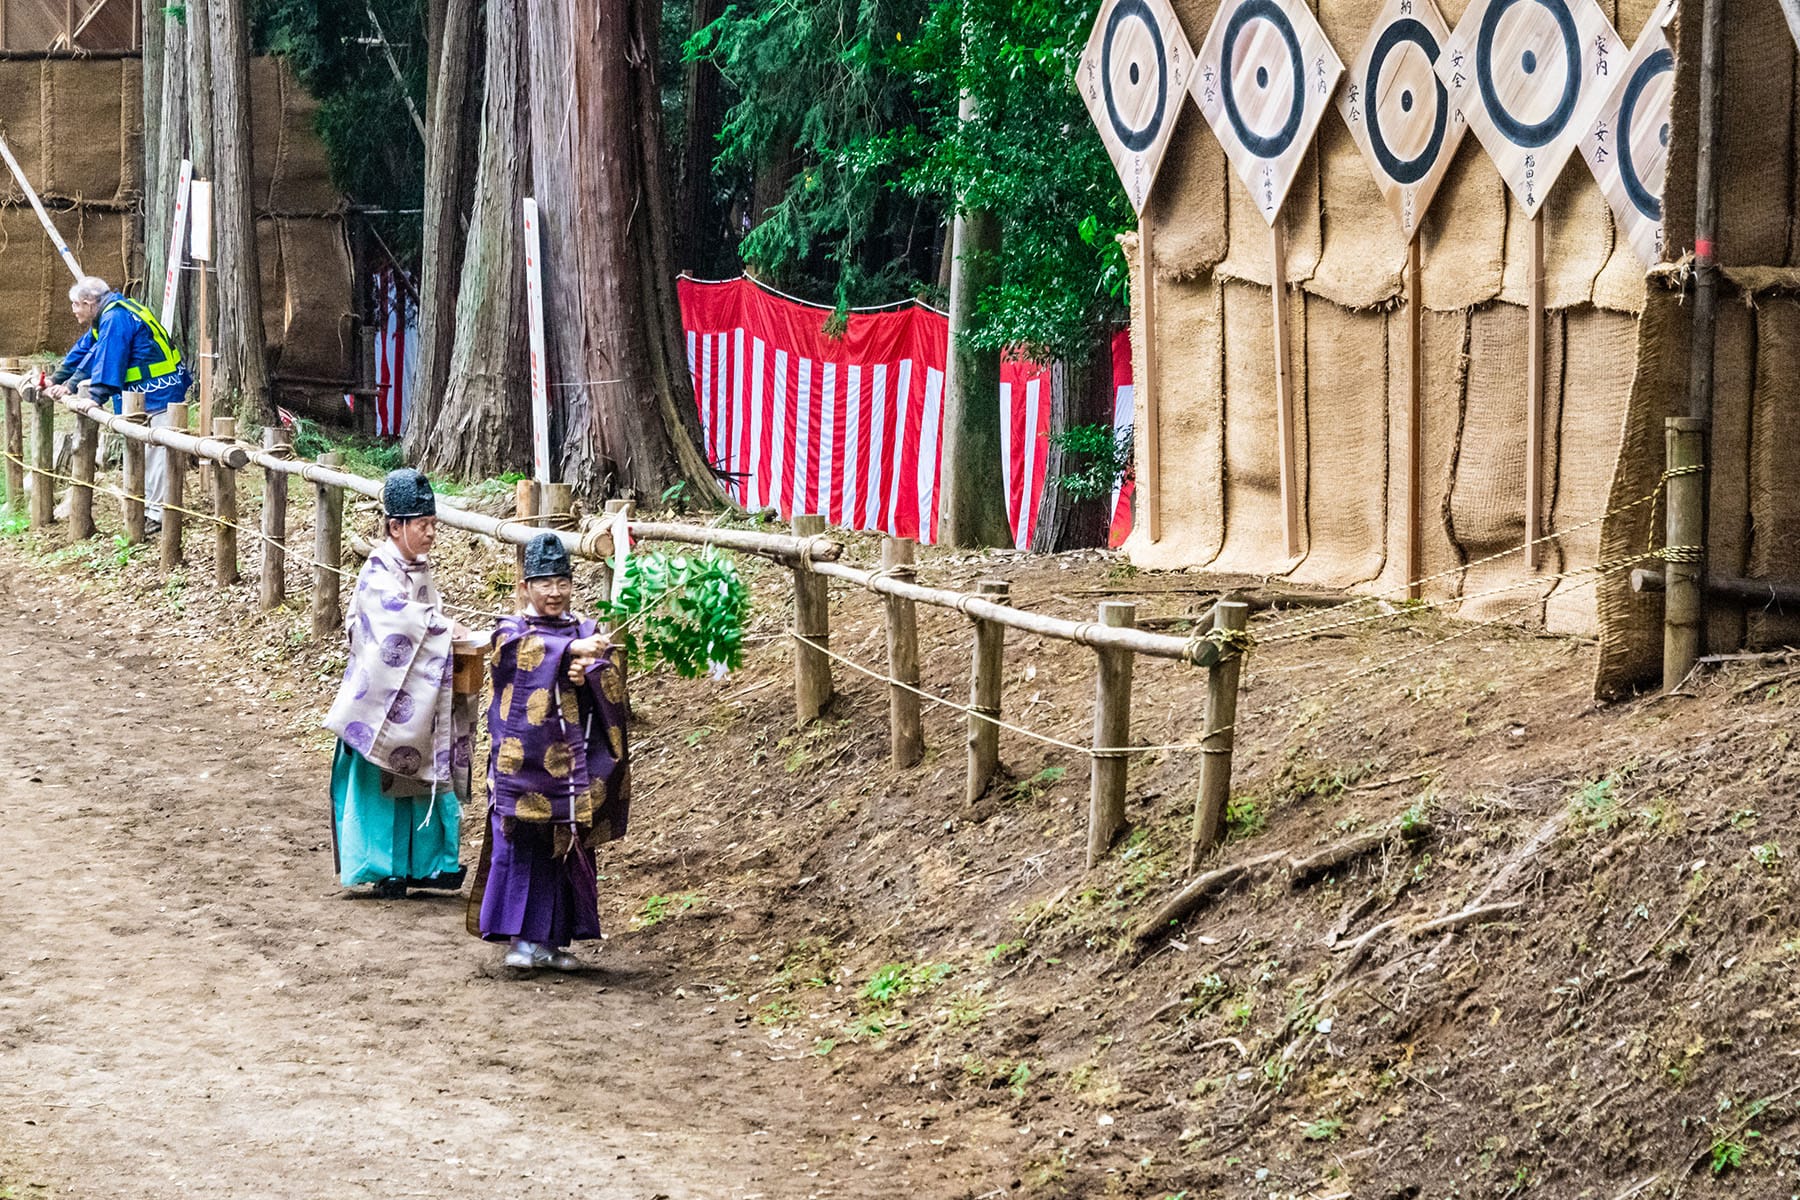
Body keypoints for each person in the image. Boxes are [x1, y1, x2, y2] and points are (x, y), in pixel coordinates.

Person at [467, 532, 632, 971]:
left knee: (567, 846)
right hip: (524, 766)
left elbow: (607, 674)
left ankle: (555, 942)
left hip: (573, 767)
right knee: (523, 844)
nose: (554, 592)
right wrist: (566, 653)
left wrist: (590, 670)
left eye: (562, 582)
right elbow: (517, 656)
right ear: (525, 587)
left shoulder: (585, 630)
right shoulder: (510, 630)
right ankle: (521, 941)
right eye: (544, 583)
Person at [323, 468, 472, 898]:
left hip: (417, 697)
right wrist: (442, 628)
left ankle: (425, 865)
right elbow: (393, 620)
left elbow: (424, 622)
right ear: (395, 526)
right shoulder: (377, 572)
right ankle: (379, 866)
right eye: (422, 525)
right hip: (378, 703)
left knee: (422, 771)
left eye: (432, 525)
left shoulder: (419, 570)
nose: (430, 534)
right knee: (379, 779)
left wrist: (438, 628)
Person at [43, 276, 191, 534]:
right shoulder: (110, 312)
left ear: (89, 303)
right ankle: (144, 508)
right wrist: (60, 379)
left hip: (158, 393)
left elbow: (110, 356)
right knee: (143, 451)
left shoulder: (115, 318)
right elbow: (87, 350)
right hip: (143, 394)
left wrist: (95, 397)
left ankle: (157, 514)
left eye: (75, 304)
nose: (73, 310)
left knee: (156, 452)